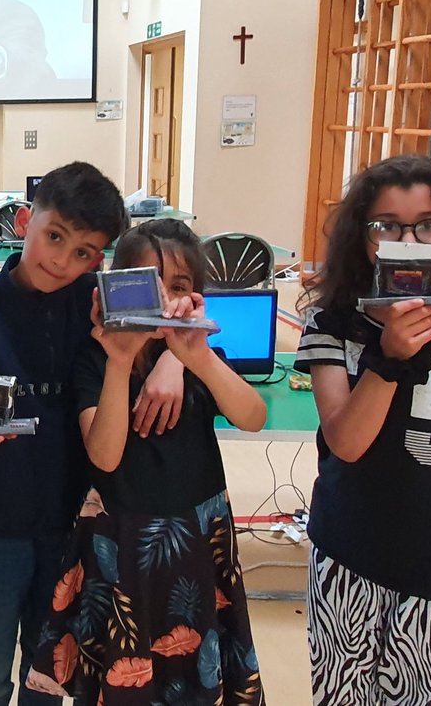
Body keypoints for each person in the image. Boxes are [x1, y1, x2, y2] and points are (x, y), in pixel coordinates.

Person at [25, 219, 267, 703]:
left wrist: (189, 357)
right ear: (116, 288)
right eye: (144, 285)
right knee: (124, 675)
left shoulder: (200, 356)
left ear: (196, 294)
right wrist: (120, 359)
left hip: (197, 537)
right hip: (121, 540)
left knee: (194, 674)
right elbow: (105, 457)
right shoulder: (95, 360)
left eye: (178, 287)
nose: (162, 301)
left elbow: (254, 417)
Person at [294, 153, 431, 704]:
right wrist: (386, 358)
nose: (407, 239)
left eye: (427, 224)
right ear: (363, 236)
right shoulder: (332, 323)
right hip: (348, 552)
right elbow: (346, 443)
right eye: (387, 225)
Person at [0, 161, 128, 706]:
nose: (64, 261)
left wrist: (165, 363)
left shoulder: (99, 304)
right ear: (25, 221)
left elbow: (170, 335)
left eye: (85, 252)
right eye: (55, 237)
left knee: (47, 676)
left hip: (73, 528)